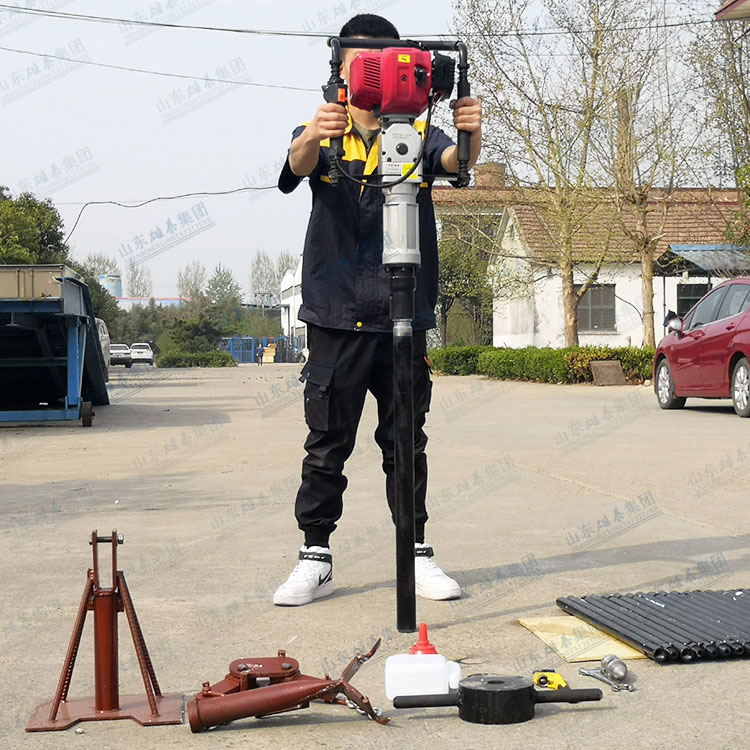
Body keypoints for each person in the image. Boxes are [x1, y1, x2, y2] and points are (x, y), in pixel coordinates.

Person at [273, 13, 482, 606]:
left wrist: (470, 132)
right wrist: (313, 133)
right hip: (336, 315)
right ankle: (315, 556)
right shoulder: (324, 132)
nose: (367, 74)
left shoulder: (418, 134)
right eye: (357, 63)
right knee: (327, 443)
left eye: (379, 63)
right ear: (340, 70)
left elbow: (456, 163)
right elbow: (296, 167)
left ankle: (415, 552)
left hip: (403, 315)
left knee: (406, 440)